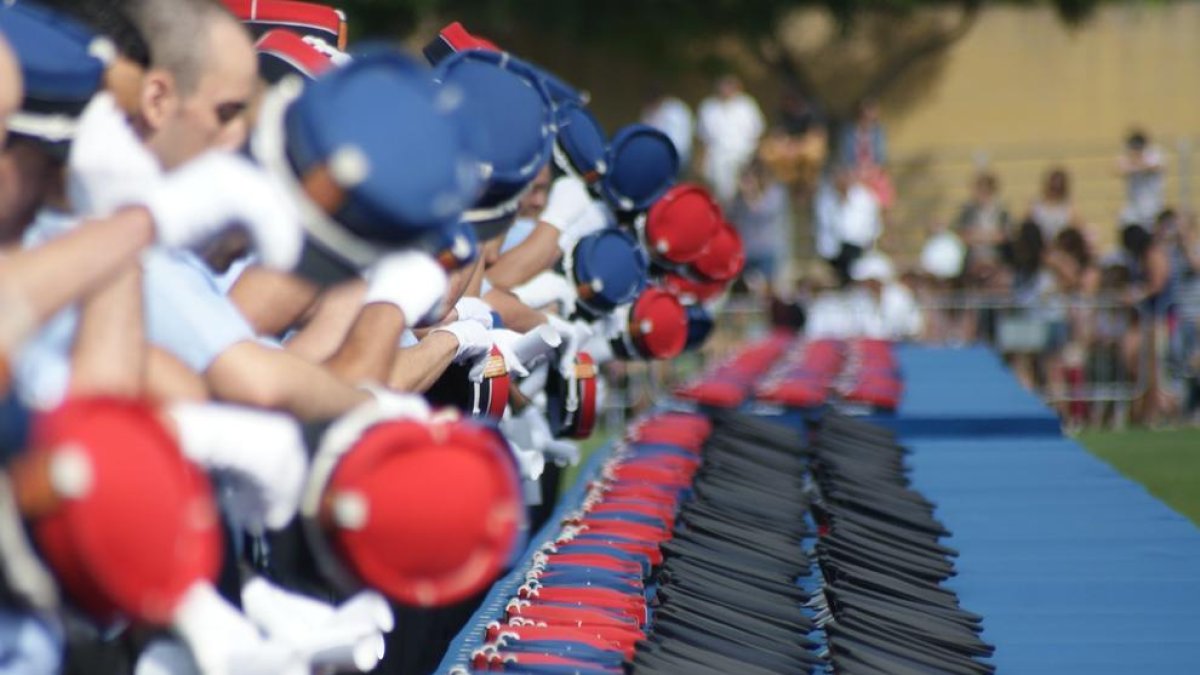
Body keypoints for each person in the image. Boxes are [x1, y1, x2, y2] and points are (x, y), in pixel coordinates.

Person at [696, 74, 764, 204]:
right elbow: (703, 139)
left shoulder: (747, 105)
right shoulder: (708, 107)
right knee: (722, 193)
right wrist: (700, 162)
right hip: (717, 156)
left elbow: (757, 133)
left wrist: (756, 158)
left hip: (745, 156)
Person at [813, 165, 881, 286]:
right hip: (833, 254)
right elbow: (825, 230)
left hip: (859, 249)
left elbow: (871, 227)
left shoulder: (864, 198)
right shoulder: (825, 200)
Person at [728, 158, 790, 290]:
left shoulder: (775, 193)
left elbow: (760, 211)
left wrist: (750, 194)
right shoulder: (738, 198)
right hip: (745, 251)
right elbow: (730, 216)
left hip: (766, 251)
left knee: (768, 290)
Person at [839, 99, 893, 210]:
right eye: (866, 117)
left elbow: (881, 157)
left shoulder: (878, 132)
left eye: (872, 119)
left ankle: (884, 218)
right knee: (844, 185)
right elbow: (845, 157)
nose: (869, 121)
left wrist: (870, 170)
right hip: (853, 171)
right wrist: (856, 171)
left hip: (872, 171)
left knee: (883, 186)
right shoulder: (848, 132)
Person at [954, 171, 1011, 271]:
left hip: (996, 259)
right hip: (973, 259)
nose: (981, 194)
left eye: (985, 191)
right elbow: (962, 236)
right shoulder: (968, 211)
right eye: (979, 190)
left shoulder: (1002, 212)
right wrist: (990, 236)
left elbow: (1004, 236)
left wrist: (977, 235)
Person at [1118, 128, 1166, 229]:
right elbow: (1117, 170)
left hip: (1152, 207)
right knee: (1124, 222)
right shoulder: (1129, 158)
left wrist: (1138, 164)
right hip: (1134, 208)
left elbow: (1155, 167)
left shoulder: (1153, 154)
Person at [642, 87, 693, 170]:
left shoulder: (675, 111)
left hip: (677, 159)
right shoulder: (648, 111)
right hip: (654, 159)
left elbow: (680, 141)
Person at [1028, 166, 1079, 241]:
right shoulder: (1036, 205)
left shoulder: (1069, 206)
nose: (1055, 191)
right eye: (1053, 187)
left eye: (1058, 188)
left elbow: (1076, 228)